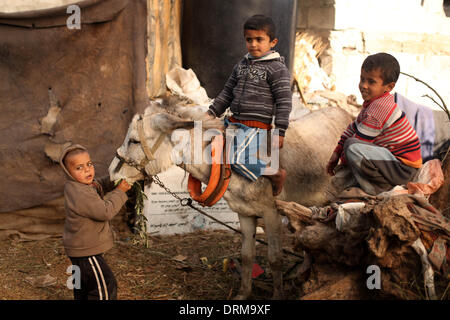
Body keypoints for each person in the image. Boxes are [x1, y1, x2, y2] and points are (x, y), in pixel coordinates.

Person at [204, 14, 292, 196]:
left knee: (237, 160)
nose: (253, 44)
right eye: (249, 39)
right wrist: (211, 112)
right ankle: (226, 190)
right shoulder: (241, 65)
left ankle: (274, 174)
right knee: (209, 147)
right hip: (234, 121)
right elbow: (227, 92)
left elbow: (284, 101)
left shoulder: (277, 69)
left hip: (255, 126)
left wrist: (280, 131)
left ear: (272, 42)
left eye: (259, 39)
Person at [326, 53, 422, 195]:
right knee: (350, 146)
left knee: (352, 147)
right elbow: (353, 128)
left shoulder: (379, 108)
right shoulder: (373, 103)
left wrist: (342, 163)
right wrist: (336, 153)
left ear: (389, 87)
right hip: (392, 162)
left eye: (371, 82)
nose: (363, 85)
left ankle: (378, 190)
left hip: (403, 168)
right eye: (362, 79)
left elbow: (359, 142)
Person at [59, 144, 131, 300]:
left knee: (82, 286)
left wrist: (115, 180)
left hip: (77, 249)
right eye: (79, 168)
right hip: (86, 252)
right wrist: (121, 191)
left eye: (89, 164)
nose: (87, 170)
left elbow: (99, 185)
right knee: (105, 286)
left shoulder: (79, 186)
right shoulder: (80, 193)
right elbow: (105, 211)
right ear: (68, 172)